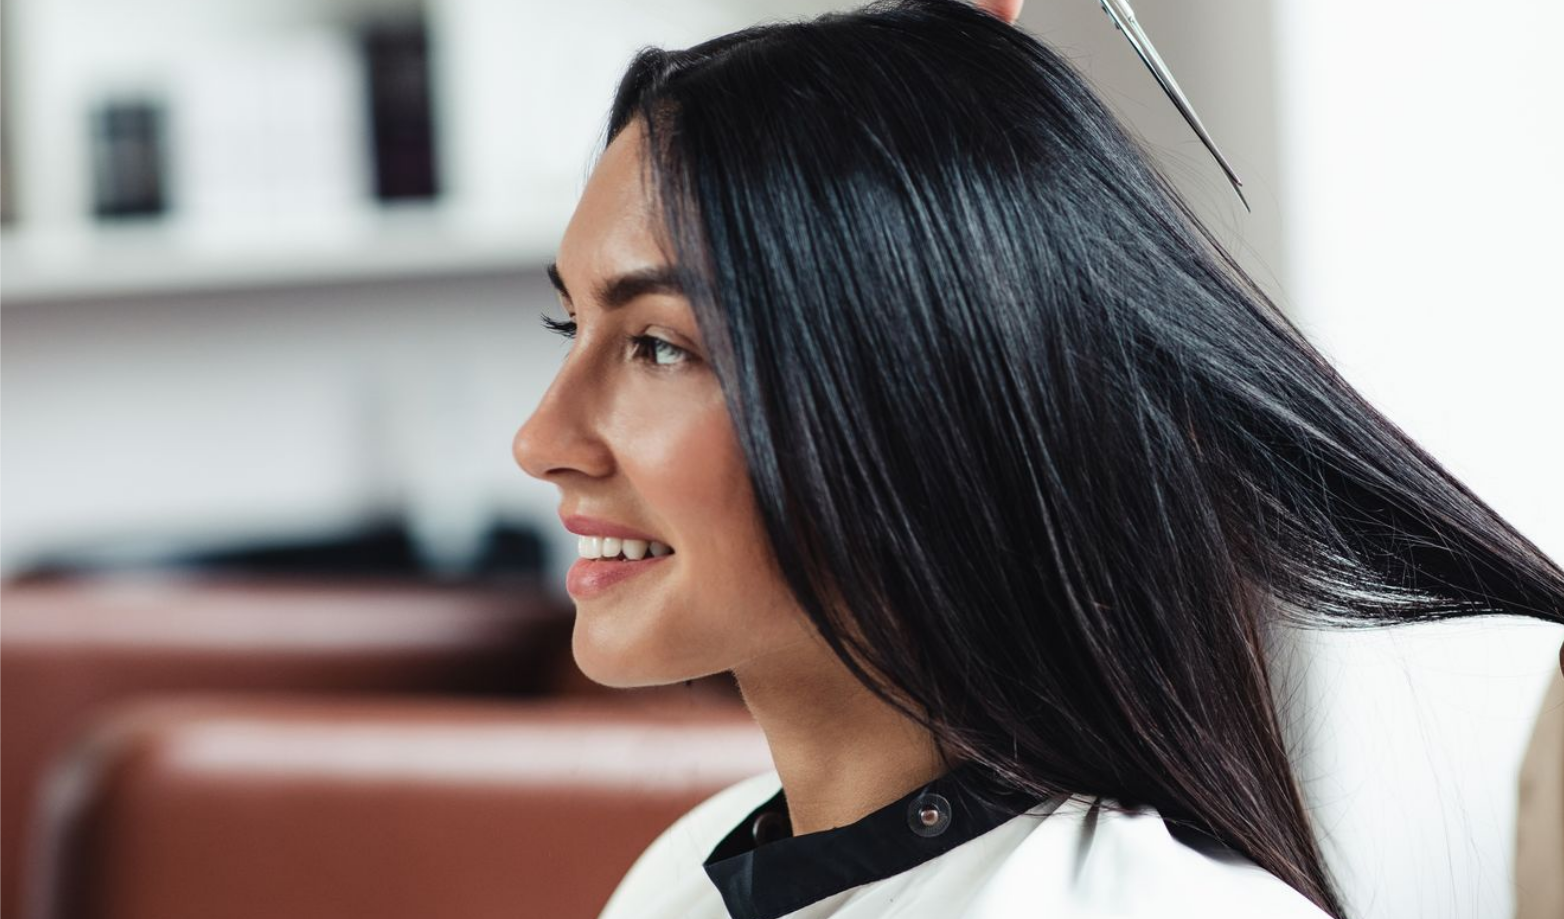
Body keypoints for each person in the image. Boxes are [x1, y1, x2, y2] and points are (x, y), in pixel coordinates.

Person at [511, 1, 1564, 916]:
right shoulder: (683, 876)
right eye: (574, 329)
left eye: (657, 344)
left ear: (914, 387)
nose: (539, 441)